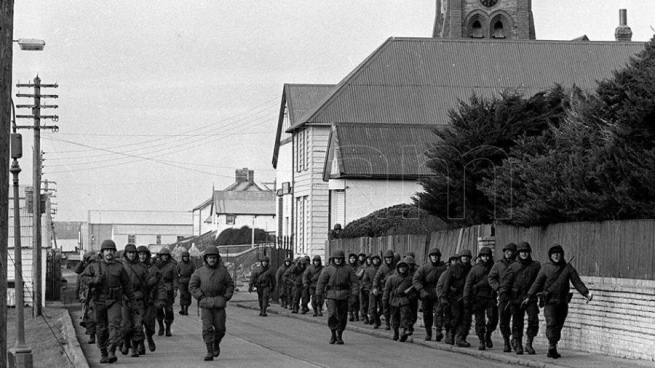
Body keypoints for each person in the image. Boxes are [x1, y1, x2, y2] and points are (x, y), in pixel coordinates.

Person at [526, 244, 593, 359]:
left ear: (562, 255)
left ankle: (553, 346)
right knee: (551, 324)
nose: (556, 256)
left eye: (558, 253)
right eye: (554, 254)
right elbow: (537, 283)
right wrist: (529, 295)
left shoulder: (568, 268)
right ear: (550, 256)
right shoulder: (545, 268)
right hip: (549, 302)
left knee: (558, 325)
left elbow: (577, 282)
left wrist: (586, 293)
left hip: (562, 302)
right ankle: (552, 346)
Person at [83, 239, 136, 364]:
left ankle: (112, 349)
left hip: (114, 300)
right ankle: (103, 352)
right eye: (107, 250)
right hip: (99, 301)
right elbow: (84, 278)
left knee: (115, 325)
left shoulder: (119, 267)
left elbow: (127, 285)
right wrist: (94, 281)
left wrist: (133, 302)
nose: (109, 253)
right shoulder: (94, 265)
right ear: (102, 252)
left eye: (111, 250)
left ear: (114, 252)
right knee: (101, 328)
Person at [189, 245, 235, 361]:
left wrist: (225, 297)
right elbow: (192, 286)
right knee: (207, 328)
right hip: (206, 303)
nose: (212, 260)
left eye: (214, 257)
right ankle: (209, 351)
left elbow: (230, 285)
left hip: (219, 302)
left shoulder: (223, 271)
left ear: (217, 258)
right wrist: (200, 297)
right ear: (206, 259)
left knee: (220, 329)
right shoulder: (199, 271)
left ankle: (216, 343)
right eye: (210, 257)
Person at [499, 241, 540, 355]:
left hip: (530, 297)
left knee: (533, 320)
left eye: (526, 252)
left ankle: (529, 343)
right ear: (518, 253)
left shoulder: (535, 266)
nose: (524, 254)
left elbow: (540, 281)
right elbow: (506, 282)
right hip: (516, 299)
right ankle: (517, 343)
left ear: (529, 253)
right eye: (522, 252)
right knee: (517, 322)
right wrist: (504, 295)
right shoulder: (513, 266)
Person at [316, 249, 357, 345]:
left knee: (342, 316)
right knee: (332, 314)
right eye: (336, 259)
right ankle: (333, 333)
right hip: (331, 295)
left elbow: (355, 282)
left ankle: (340, 335)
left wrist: (355, 294)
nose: (338, 260)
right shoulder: (328, 269)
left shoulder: (348, 269)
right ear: (333, 259)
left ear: (343, 259)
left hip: (344, 295)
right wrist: (318, 294)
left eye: (340, 259)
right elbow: (321, 282)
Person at [464, 246, 497, 351]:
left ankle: (488, 334)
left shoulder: (494, 267)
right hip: (478, 297)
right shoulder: (475, 269)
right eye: (483, 256)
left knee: (493, 318)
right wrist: (466, 297)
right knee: (480, 320)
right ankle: (482, 340)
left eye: (487, 256)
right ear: (480, 257)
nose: (485, 258)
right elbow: (468, 284)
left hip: (491, 296)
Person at [487, 242, 517, 352]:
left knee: (517, 320)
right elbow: (491, 277)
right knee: (504, 320)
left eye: (510, 251)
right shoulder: (499, 264)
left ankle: (515, 340)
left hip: (516, 296)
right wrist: (498, 288)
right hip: (504, 296)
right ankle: (506, 341)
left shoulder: (518, 264)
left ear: (515, 253)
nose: (507, 253)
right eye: (506, 251)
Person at [120, 243, 148, 357]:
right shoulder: (120, 266)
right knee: (126, 325)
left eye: (133, 253)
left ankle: (135, 348)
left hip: (138, 299)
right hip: (124, 299)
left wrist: (154, 280)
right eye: (129, 253)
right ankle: (126, 343)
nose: (131, 255)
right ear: (126, 254)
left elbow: (147, 283)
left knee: (138, 325)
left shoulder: (142, 267)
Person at [413, 247, 447, 341]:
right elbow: (416, 280)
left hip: (438, 293)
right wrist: (421, 290)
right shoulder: (424, 267)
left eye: (436, 256)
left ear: (439, 257)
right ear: (430, 257)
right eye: (433, 256)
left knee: (439, 313)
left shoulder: (444, 267)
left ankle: (438, 331)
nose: (434, 257)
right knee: (427, 314)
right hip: (426, 293)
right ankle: (428, 333)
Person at [441, 249, 473, 347]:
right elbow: (447, 283)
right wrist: (444, 296)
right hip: (455, 297)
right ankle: (450, 334)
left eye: (467, 257)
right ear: (460, 258)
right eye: (464, 257)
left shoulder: (471, 269)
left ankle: (461, 338)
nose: (465, 259)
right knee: (456, 317)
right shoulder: (453, 268)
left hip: (467, 297)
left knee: (466, 318)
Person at [137, 245, 166, 353]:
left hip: (150, 300)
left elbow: (160, 285)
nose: (142, 257)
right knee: (138, 325)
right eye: (140, 254)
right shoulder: (134, 267)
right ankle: (140, 344)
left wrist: (162, 299)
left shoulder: (154, 269)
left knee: (149, 325)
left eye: (144, 254)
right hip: (137, 300)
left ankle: (149, 337)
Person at [384, 257, 418, 342]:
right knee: (395, 317)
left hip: (405, 300)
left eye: (404, 267)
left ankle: (403, 331)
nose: (402, 269)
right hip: (394, 300)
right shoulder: (391, 278)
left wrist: (411, 296)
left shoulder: (410, 279)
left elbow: (414, 289)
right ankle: (395, 332)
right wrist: (385, 299)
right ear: (397, 268)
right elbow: (387, 290)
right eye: (400, 267)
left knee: (404, 316)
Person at [75, 251, 98, 344]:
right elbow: (77, 272)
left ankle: (95, 334)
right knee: (88, 315)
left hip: (96, 294)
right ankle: (91, 334)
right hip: (86, 294)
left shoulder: (98, 267)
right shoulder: (85, 268)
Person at [372, 250, 397, 330]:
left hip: (393, 289)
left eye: (390, 258)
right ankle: (387, 323)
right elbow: (377, 278)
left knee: (393, 306)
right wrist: (375, 287)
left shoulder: (396, 266)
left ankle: (392, 321)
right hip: (384, 289)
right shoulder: (382, 267)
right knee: (385, 307)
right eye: (387, 258)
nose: (388, 260)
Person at [156, 247, 178, 337]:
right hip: (158, 290)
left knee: (169, 310)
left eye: (166, 255)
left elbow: (175, 278)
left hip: (168, 290)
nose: (164, 257)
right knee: (158, 309)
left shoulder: (172, 265)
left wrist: (175, 288)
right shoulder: (156, 265)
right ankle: (161, 325)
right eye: (163, 255)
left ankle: (168, 327)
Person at [176, 250, 196, 316]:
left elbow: (195, 272)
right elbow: (176, 272)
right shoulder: (179, 264)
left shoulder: (191, 264)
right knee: (183, 294)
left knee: (188, 295)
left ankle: (186, 309)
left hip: (189, 280)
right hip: (181, 281)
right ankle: (182, 309)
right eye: (184, 257)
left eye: (187, 257)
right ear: (182, 257)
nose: (186, 258)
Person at [364, 254, 382, 326]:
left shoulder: (381, 268)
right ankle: (376, 321)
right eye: (374, 259)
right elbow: (365, 280)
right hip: (372, 290)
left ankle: (377, 317)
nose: (376, 261)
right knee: (372, 307)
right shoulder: (368, 270)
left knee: (383, 306)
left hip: (381, 289)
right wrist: (371, 288)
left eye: (377, 259)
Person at [347, 253, 361, 321]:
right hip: (348, 285)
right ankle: (351, 314)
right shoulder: (347, 267)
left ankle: (356, 313)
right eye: (351, 258)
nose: (352, 260)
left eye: (353, 258)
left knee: (355, 300)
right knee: (350, 301)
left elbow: (359, 275)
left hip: (356, 285)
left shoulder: (358, 267)